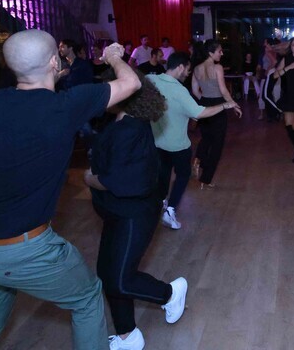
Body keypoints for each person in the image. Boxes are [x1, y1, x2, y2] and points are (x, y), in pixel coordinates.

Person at [0, 31, 140, 349]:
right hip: (19, 250)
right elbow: (130, 83)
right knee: (87, 298)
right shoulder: (66, 105)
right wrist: (113, 57)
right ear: (55, 61)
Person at [85, 68, 187, 350]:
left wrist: (89, 178)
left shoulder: (130, 129)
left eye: (108, 88)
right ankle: (127, 336)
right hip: (117, 211)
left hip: (134, 213)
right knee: (108, 274)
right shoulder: (123, 121)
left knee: (119, 278)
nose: (104, 95)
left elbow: (123, 182)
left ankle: (170, 293)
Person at [148, 52, 240, 230]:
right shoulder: (179, 90)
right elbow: (200, 113)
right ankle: (170, 210)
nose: (188, 73)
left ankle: (160, 202)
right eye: (187, 70)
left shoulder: (151, 80)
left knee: (164, 172)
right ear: (180, 67)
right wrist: (224, 105)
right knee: (183, 175)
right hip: (178, 145)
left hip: (157, 141)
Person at [192, 40, 242, 188]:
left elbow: (194, 90)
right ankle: (206, 179)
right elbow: (223, 90)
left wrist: (204, 101)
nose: (222, 53)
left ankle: (199, 158)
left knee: (206, 138)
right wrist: (233, 104)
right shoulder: (217, 67)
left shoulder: (196, 68)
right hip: (218, 105)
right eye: (219, 51)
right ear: (210, 53)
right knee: (217, 145)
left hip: (204, 104)